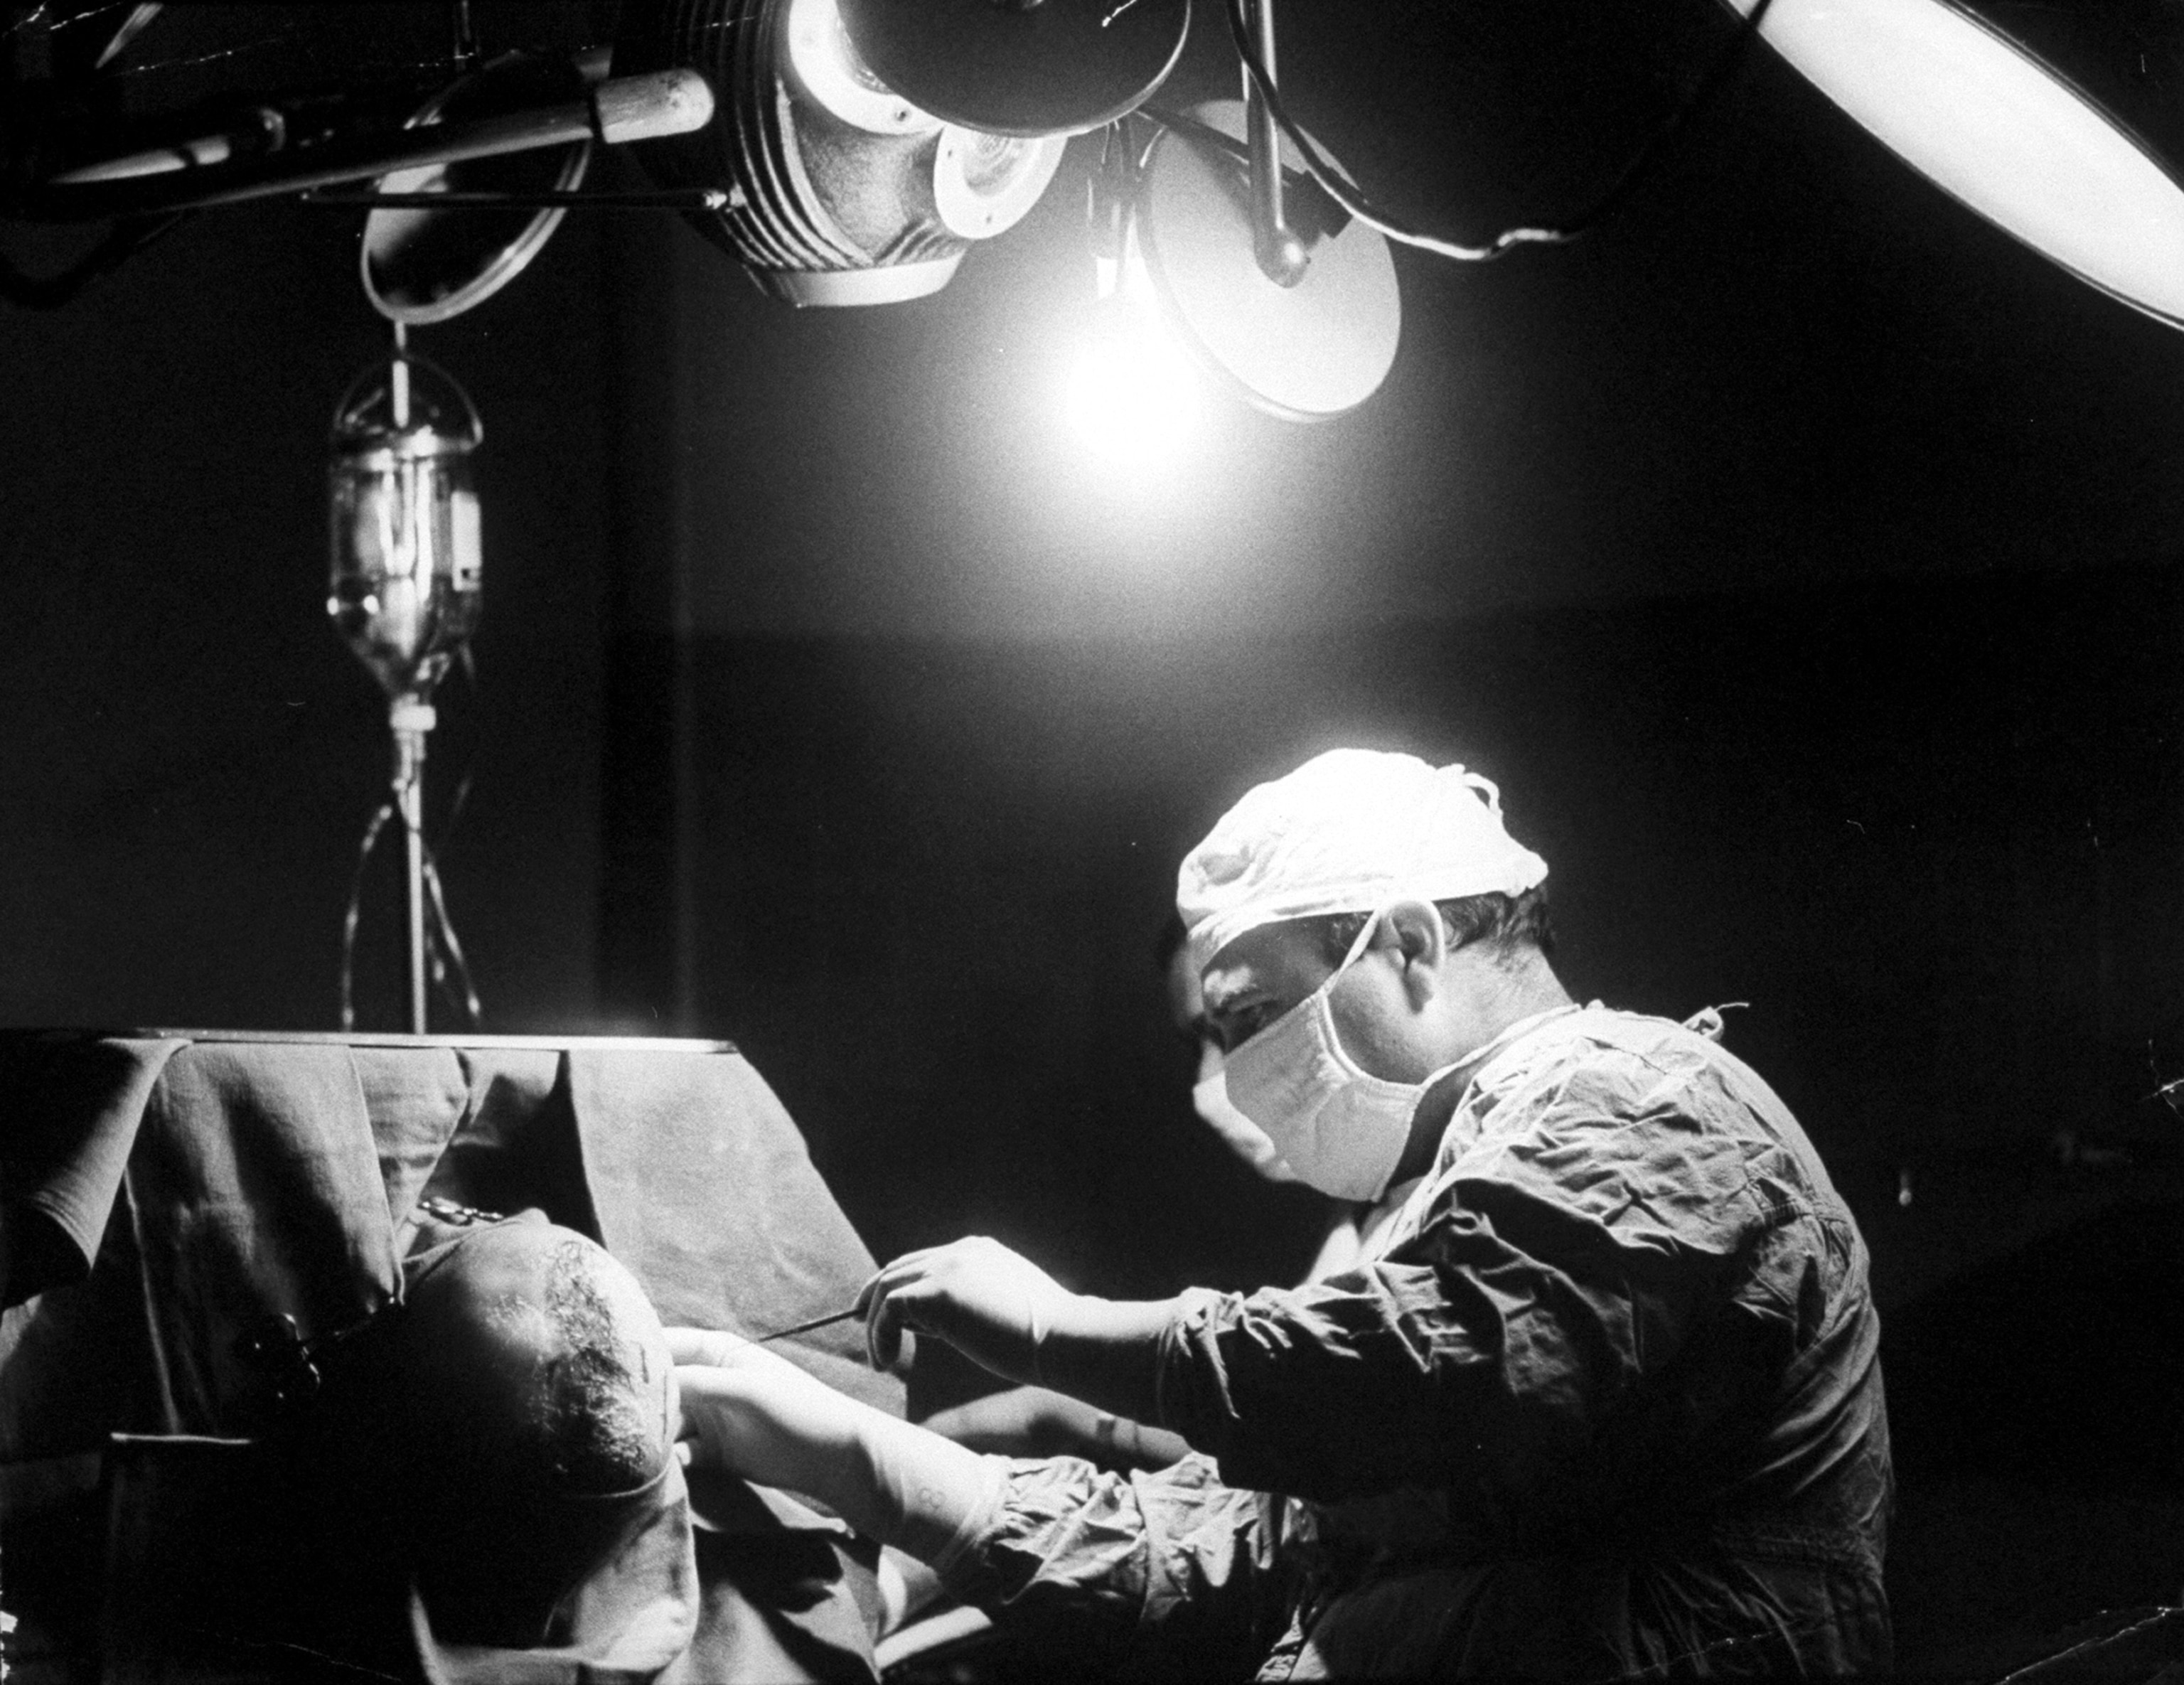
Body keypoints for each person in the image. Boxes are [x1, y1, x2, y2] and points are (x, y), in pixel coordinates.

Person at [673, 748, 1894, 1676]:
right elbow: (1259, 1545)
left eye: (1252, 1015)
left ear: (1410, 942)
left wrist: (1057, 1330)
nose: (1239, 1068)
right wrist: (862, 1461)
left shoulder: (1652, 1110)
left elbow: (1394, 1379)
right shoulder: (1448, 1187)